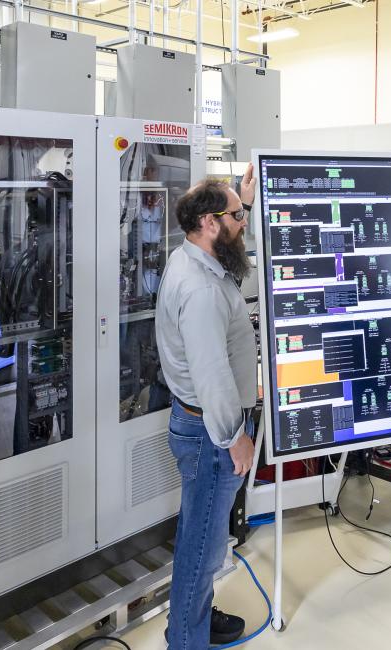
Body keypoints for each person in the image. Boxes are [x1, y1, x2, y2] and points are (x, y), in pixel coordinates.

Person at [156, 165, 258, 650]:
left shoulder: (200, 261)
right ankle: (185, 640)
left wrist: (244, 199)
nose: (244, 224)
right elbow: (212, 376)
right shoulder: (199, 290)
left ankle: (191, 617)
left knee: (205, 538)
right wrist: (233, 436)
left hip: (202, 427)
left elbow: (238, 263)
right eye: (238, 216)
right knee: (202, 546)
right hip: (209, 433)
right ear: (210, 223)